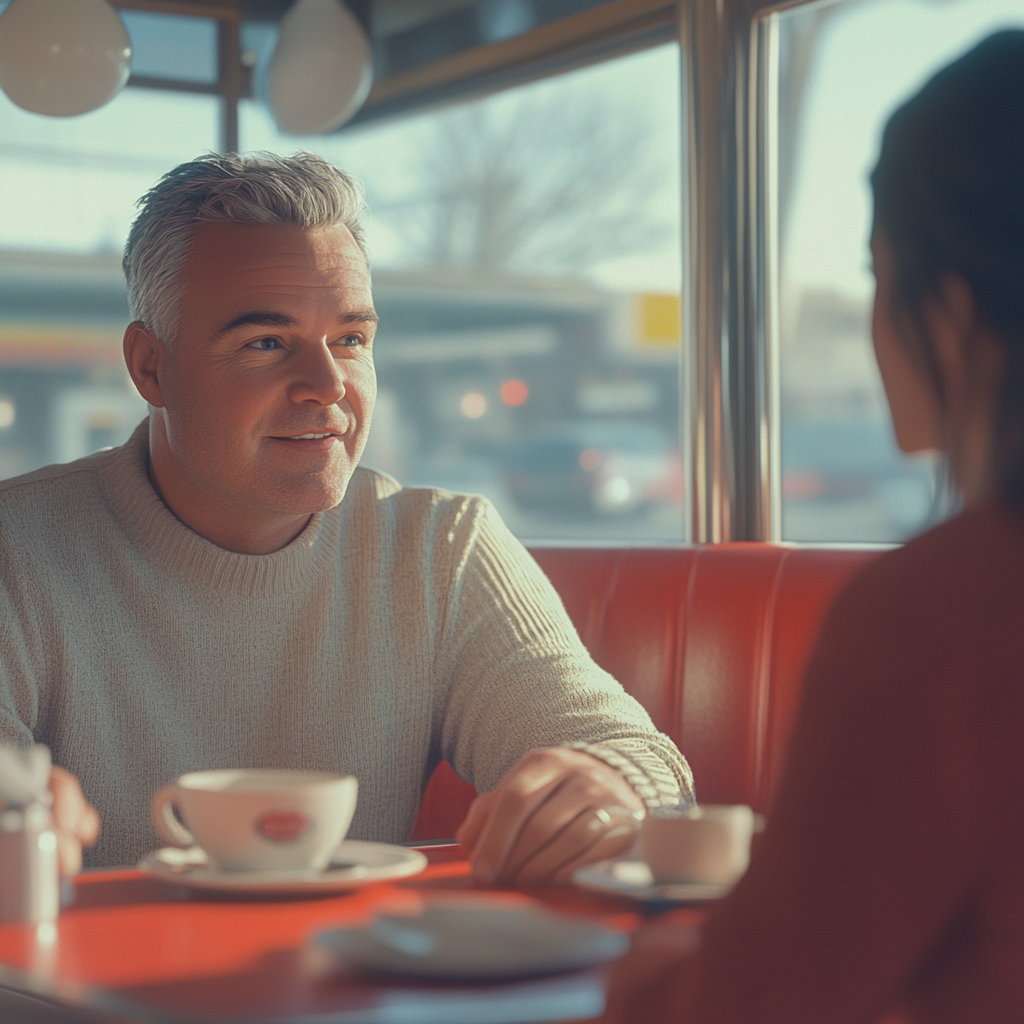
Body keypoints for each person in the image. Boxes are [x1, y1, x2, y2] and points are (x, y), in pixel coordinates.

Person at [0, 153, 693, 878]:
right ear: (150, 367)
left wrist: (608, 789)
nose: (329, 385)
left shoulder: (441, 549)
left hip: (359, 981)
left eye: (351, 340)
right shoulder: (17, 549)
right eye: (267, 343)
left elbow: (640, 760)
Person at [599, 30, 1024, 1024]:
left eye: (878, 277)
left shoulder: (944, 615)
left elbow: (753, 1004)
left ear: (952, 311)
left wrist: (637, 976)